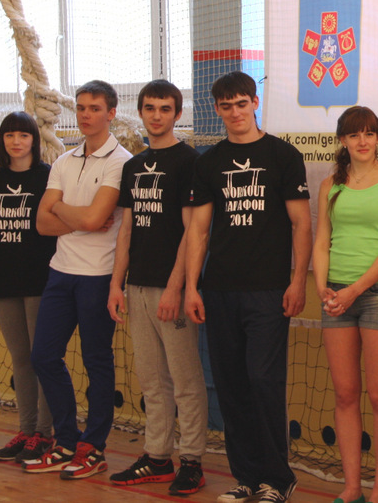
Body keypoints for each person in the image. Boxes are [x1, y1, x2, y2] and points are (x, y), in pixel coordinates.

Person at [184, 71, 312, 503]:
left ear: (255, 103)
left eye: (242, 103)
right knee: (231, 384)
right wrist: (191, 287)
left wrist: (298, 280)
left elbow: (301, 223)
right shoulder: (208, 162)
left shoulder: (283, 155)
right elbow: (199, 230)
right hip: (219, 290)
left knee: (263, 380)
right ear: (216, 110)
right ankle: (247, 477)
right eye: (227, 106)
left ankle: (278, 478)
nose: (235, 112)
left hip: (269, 292)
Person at [25, 80, 130, 480]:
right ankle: (66, 440)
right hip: (60, 273)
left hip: (98, 277)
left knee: (96, 361)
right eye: (81, 108)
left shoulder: (120, 161)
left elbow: (87, 217)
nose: (86, 115)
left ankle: (93, 447)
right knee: (43, 356)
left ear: (111, 113)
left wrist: (64, 212)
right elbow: (42, 222)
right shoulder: (64, 161)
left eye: (94, 108)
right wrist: (80, 218)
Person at [107, 79, 208, 495]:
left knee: (185, 380)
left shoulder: (190, 162)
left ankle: (192, 461)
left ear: (177, 114)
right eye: (150, 108)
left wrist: (175, 287)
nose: (156, 115)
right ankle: (157, 456)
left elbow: (192, 232)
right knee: (151, 379)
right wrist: (117, 284)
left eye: (165, 109)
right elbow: (127, 229)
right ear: (141, 112)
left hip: (172, 290)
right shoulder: (133, 166)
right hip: (137, 287)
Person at [312, 106, 378, 503]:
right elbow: (322, 240)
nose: (362, 141)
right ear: (343, 140)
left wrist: (355, 290)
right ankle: (352, 488)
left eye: (369, 133)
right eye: (354, 134)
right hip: (337, 298)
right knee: (346, 395)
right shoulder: (329, 185)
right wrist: (323, 288)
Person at [0, 112, 57, 463]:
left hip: (41, 279)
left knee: (43, 358)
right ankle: (26, 430)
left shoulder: (47, 176)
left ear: (34, 140)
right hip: (5, 280)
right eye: (10, 135)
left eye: (23, 135)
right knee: (20, 359)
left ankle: (45, 432)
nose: (16, 141)